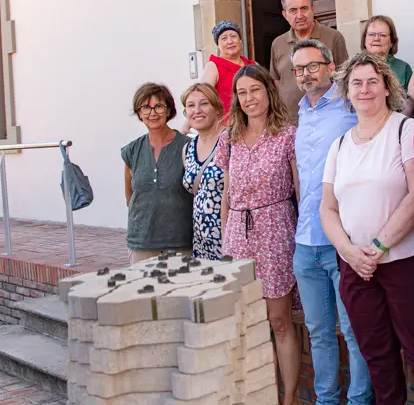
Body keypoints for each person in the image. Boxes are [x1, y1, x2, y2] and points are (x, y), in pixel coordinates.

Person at [320, 52, 414, 405]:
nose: (365, 90)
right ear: (347, 92)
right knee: (377, 357)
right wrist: (349, 252)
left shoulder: (404, 130)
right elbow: (327, 208)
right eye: (357, 83)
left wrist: (377, 248)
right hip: (356, 270)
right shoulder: (340, 145)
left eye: (372, 82)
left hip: (405, 263)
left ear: (386, 86)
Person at [289, 40, 372, 405]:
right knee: (319, 331)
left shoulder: (351, 105)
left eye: (313, 66)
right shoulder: (301, 111)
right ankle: (326, 400)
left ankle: (358, 400)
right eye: (299, 69)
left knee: (354, 330)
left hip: (342, 239)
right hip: (305, 240)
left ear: (330, 65)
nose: (306, 74)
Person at [212, 64, 300, 405]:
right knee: (247, 322)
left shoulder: (287, 136)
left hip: (276, 229)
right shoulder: (229, 138)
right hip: (237, 234)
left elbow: (300, 190)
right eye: (242, 92)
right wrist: (223, 237)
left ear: (269, 91)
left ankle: (288, 398)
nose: (249, 98)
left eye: (255, 90)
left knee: (279, 321)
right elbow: (227, 191)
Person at [122, 83, 193, 263]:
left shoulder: (187, 146)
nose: (152, 113)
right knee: (145, 291)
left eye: (159, 106)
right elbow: (130, 198)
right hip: (141, 244)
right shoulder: (132, 150)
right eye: (146, 107)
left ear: (168, 110)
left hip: (180, 244)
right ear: (139, 112)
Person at [271, 0, 350, 124]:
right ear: (285, 15)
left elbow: (345, 78)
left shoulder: (333, 37)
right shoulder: (278, 43)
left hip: (327, 119)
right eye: (293, 10)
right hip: (289, 123)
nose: (300, 15)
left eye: (304, 8)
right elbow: (276, 82)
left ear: (313, 9)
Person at [180, 83, 226, 260]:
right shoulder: (188, 149)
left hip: (228, 238)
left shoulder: (230, 141)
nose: (197, 110)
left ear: (216, 109)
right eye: (191, 106)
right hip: (201, 241)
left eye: (204, 103)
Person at [199, 20, 255, 120]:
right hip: (227, 126)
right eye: (224, 38)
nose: (230, 41)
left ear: (240, 41)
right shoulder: (213, 66)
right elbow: (201, 97)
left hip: (254, 123)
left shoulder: (253, 65)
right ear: (218, 45)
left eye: (233, 36)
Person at [361, 15, 414, 116]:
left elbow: (411, 102)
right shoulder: (355, 68)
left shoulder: (403, 68)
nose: (376, 38)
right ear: (364, 40)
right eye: (372, 34)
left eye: (382, 35)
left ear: (392, 42)